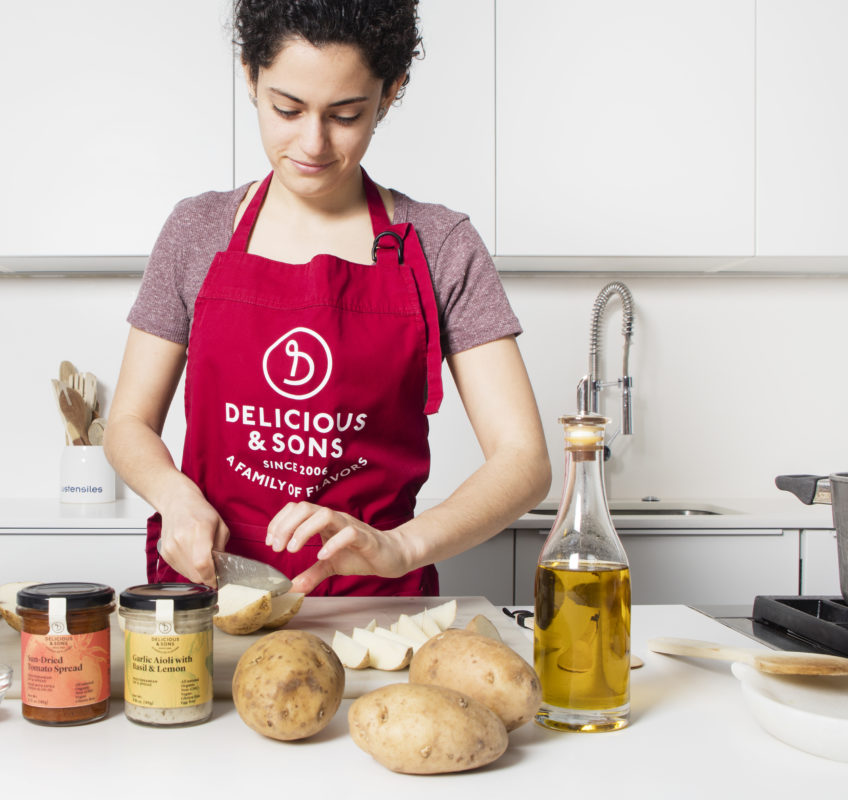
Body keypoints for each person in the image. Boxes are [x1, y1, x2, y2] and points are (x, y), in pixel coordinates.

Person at [104, 0, 551, 597]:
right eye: (286, 109)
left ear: (390, 92)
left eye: (345, 114)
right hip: (209, 593)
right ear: (249, 76)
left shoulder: (441, 245)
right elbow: (128, 424)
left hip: (372, 605)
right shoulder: (197, 230)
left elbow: (524, 460)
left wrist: (402, 546)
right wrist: (173, 494)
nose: (312, 143)